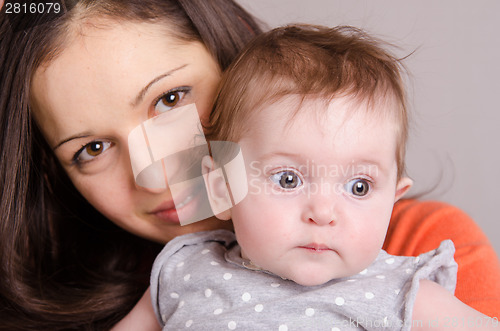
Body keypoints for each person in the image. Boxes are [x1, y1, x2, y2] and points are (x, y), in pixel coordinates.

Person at [0, 1, 498, 330]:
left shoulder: (418, 257)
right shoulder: (169, 281)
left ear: (235, 65)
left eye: (170, 98)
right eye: (91, 149)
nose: (154, 173)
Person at [124, 24, 497, 330]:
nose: (323, 212)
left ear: (392, 201)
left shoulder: (404, 295)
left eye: (359, 187)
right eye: (288, 179)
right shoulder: (185, 271)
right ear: (221, 187)